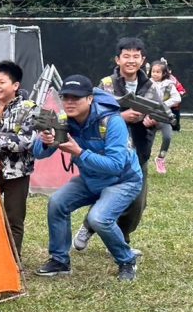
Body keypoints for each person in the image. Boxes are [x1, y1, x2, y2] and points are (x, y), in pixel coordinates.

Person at [33, 75, 144, 282]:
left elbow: (116, 165)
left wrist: (79, 152)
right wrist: (46, 141)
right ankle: (59, 261)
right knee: (57, 203)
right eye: (65, 97)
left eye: (76, 98)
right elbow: (38, 154)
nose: (69, 102)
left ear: (90, 99)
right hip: (90, 178)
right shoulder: (64, 120)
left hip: (122, 180)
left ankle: (127, 260)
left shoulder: (112, 121)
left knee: (98, 219)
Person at [73, 36, 165, 251]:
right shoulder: (105, 84)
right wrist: (120, 117)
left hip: (139, 151)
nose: (131, 60)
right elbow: (91, 114)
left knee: (137, 203)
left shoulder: (152, 87)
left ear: (143, 60)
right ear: (118, 59)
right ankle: (89, 226)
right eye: (126, 56)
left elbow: (162, 116)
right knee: (106, 194)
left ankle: (121, 239)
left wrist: (154, 121)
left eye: (136, 56)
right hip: (108, 151)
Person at [0, 60, 38, 256]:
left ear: (15, 85)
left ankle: (13, 262)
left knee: (14, 218)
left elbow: (28, 140)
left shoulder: (28, 108)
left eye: (2, 82)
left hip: (16, 172)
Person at [148, 60, 181, 174]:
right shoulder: (147, 83)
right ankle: (142, 161)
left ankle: (161, 158)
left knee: (167, 137)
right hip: (149, 117)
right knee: (147, 142)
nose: (155, 74)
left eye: (158, 72)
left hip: (164, 117)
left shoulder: (169, 85)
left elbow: (177, 98)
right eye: (153, 71)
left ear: (164, 73)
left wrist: (163, 105)